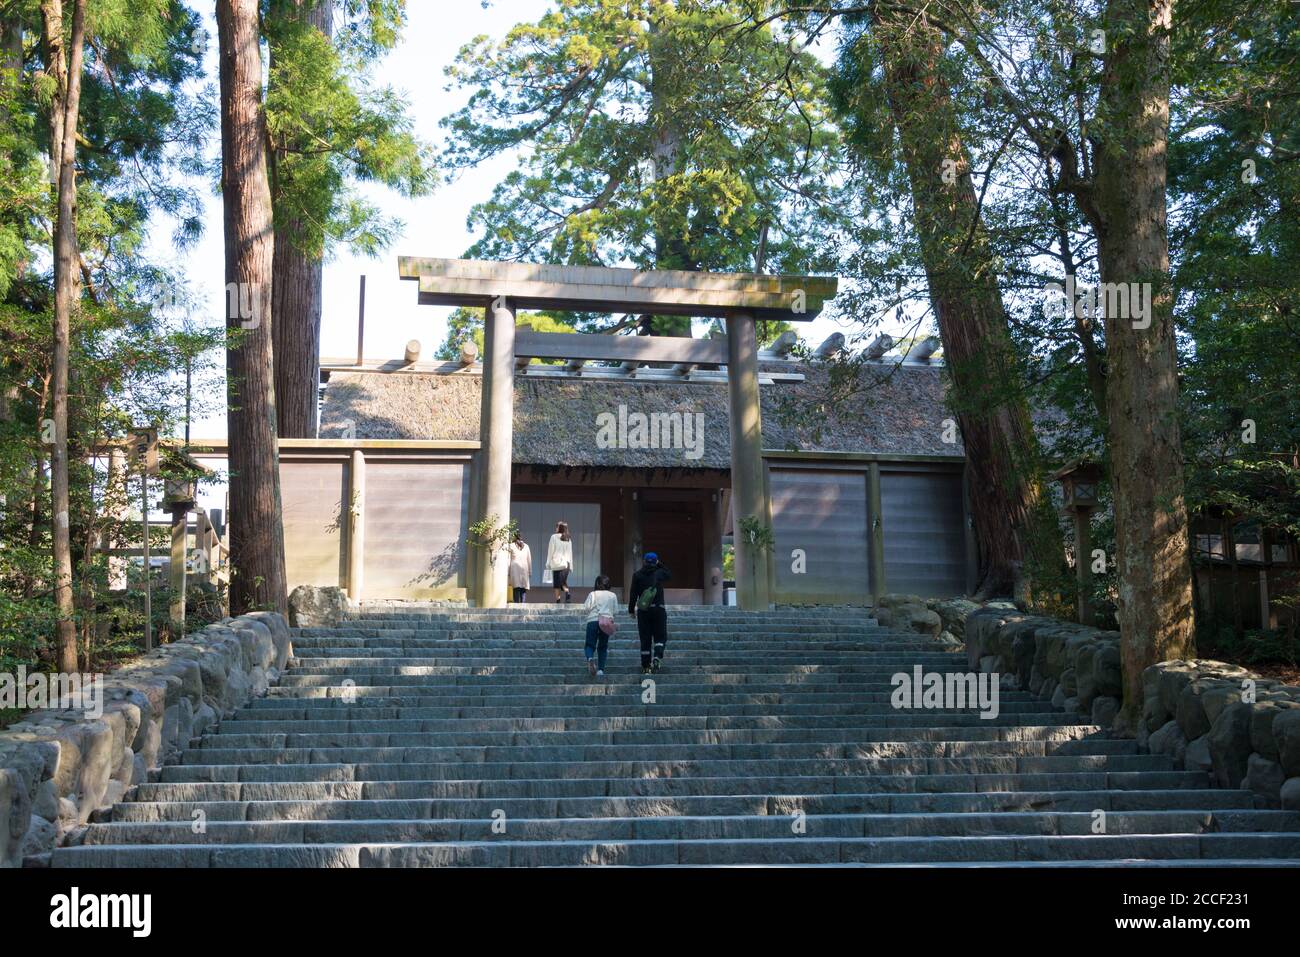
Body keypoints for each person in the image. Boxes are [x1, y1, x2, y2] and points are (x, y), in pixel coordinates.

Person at [627, 552, 671, 674]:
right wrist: (660, 564)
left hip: (644, 611)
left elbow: (633, 594)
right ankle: (657, 656)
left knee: (645, 638)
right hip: (659, 609)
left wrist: (631, 610)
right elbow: (669, 573)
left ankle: (646, 666)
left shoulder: (637, 575)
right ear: (656, 561)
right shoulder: (660, 573)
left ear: (644, 562)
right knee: (660, 636)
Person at [580, 574, 618, 678]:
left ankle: (590, 659)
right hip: (606, 622)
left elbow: (586, 608)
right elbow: (615, 611)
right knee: (603, 646)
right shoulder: (612, 595)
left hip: (593, 620)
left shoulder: (592, 594)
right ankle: (601, 669)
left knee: (589, 644)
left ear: (597, 583)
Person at [545, 521, 573, 603]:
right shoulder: (568, 538)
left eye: (557, 527)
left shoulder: (554, 537)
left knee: (557, 583)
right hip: (566, 564)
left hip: (557, 564)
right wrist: (571, 566)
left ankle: (558, 600)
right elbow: (570, 553)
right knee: (563, 582)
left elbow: (550, 551)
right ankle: (567, 593)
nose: (555, 528)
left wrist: (548, 563)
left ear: (560, 528)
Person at [507, 533, 532, 604]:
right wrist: (530, 571)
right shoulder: (526, 546)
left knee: (516, 588)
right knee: (523, 588)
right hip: (524, 568)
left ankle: (516, 604)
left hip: (514, 569)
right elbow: (529, 560)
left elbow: (508, 559)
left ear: (514, 538)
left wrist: (508, 571)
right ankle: (523, 603)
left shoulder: (511, 546)